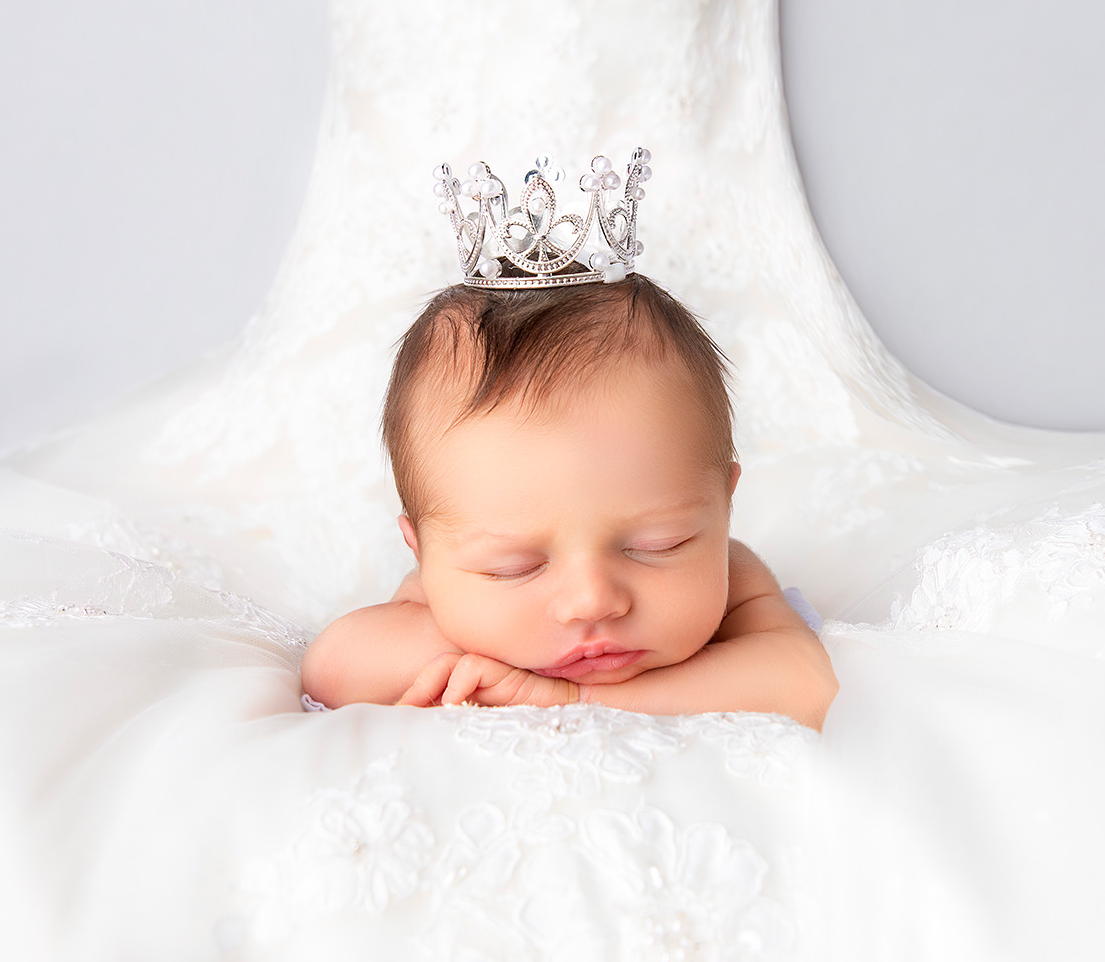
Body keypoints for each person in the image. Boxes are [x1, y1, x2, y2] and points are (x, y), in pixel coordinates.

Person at [300, 273, 839, 731]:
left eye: (659, 545)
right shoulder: (445, 603)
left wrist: (572, 702)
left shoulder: (733, 580)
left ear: (724, 506)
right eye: (515, 568)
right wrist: (470, 653)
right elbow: (332, 669)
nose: (592, 600)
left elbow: (805, 684)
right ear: (422, 553)